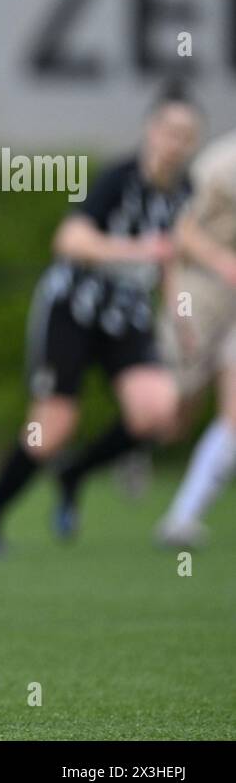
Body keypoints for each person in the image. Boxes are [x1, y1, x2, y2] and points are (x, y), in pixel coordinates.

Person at [0, 86, 202, 553]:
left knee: (158, 411)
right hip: (73, 310)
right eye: (169, 131)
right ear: (150, 131)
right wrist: (133, 250)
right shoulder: (118, 179)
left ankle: (76, 474)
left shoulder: (185, 190)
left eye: (187, 135)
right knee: (51, 428)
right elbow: (69, 241)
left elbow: (168, 256)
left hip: (126, 316)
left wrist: (181, 314)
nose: (176, 142)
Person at [152, 127, 236, 546]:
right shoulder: (222, 163)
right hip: (201, 289)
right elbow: (177, 229)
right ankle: (133, 445)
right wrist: (222, 261)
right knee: (175, 411)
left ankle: (182, 518)